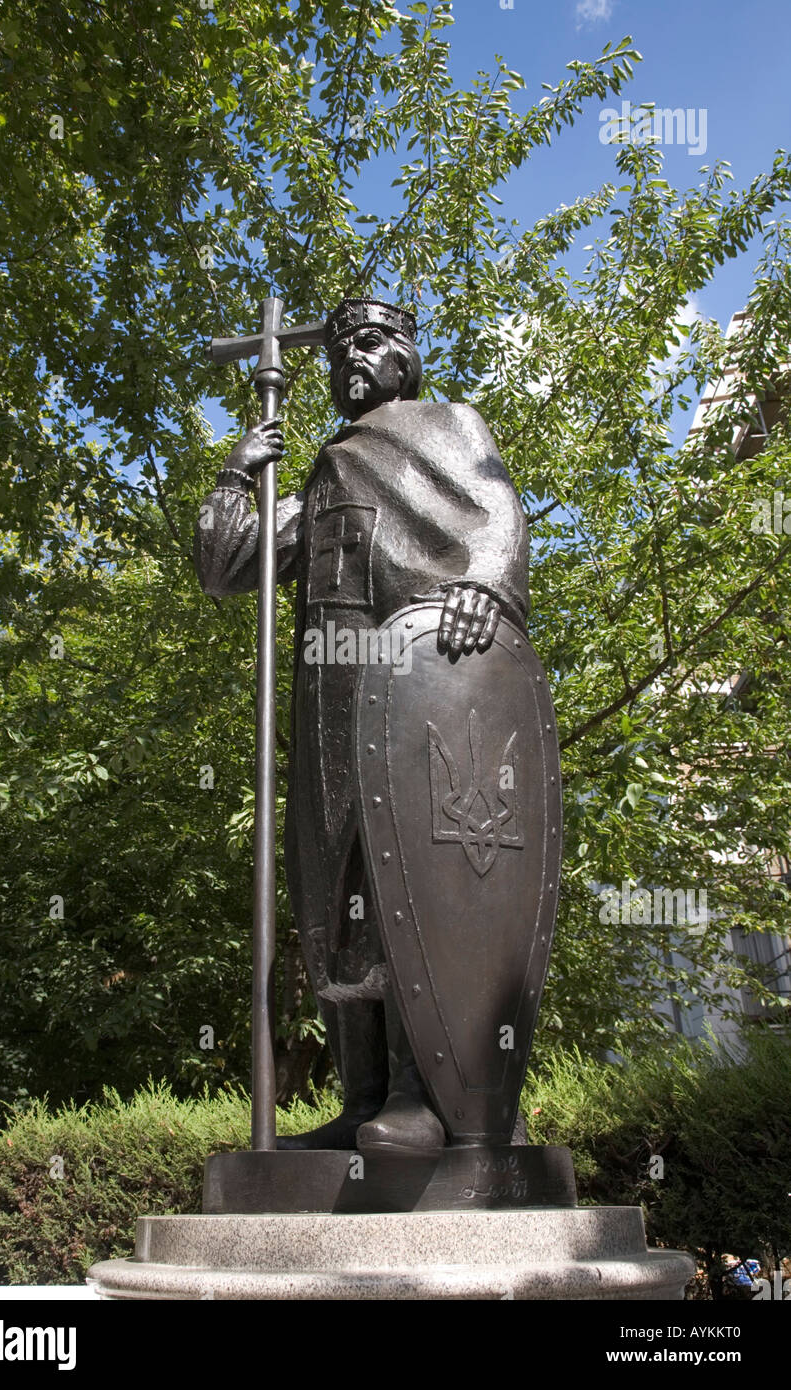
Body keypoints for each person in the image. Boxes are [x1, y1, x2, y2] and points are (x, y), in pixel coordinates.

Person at [195, 297, 529, 1156]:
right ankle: (362, 1098)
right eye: (339, 347)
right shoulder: (327, 469)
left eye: (371, 341)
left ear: (410, 352)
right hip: (332, 705)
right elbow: (228, 568)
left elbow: (497, 518)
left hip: (422, 686)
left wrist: (485, 588)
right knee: (335, 887)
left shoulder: (448, 425)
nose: (352, 357)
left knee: (411, 880)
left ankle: (427, 1099)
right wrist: (238, 472)